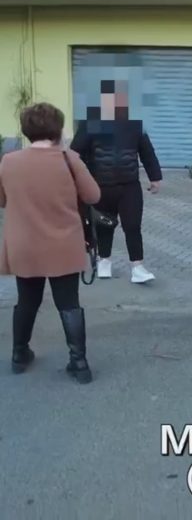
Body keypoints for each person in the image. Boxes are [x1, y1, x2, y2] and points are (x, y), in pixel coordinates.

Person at [0, 102, 101, 383]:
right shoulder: (69, 159)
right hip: (63, 244)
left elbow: (2, 200)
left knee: (26, 301)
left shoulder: (9, 161)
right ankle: (79, 363)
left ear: (26, 130)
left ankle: (19, 355)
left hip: (24, 245)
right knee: (68, 303)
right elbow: (93, 195)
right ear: (58, 128)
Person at [70, 88, 162, 284]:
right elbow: (75, 152)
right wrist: (78, 180)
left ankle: (137, 267)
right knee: (105, 224)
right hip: (100, 185)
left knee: (133, 225)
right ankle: (104, 261)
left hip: (129, 185)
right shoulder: (91, 123)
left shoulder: (135, 124)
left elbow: (147, 151)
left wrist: (155, 177)